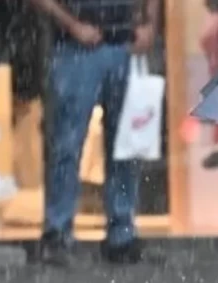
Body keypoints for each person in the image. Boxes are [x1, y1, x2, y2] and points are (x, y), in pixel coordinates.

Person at [29, 0, 159, 266]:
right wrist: (73, 25)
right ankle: (58, 232)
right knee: (68, 145)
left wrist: (149, 25)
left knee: (126, 144)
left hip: (121, 43)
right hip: (77, 45)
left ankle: (120, 234)